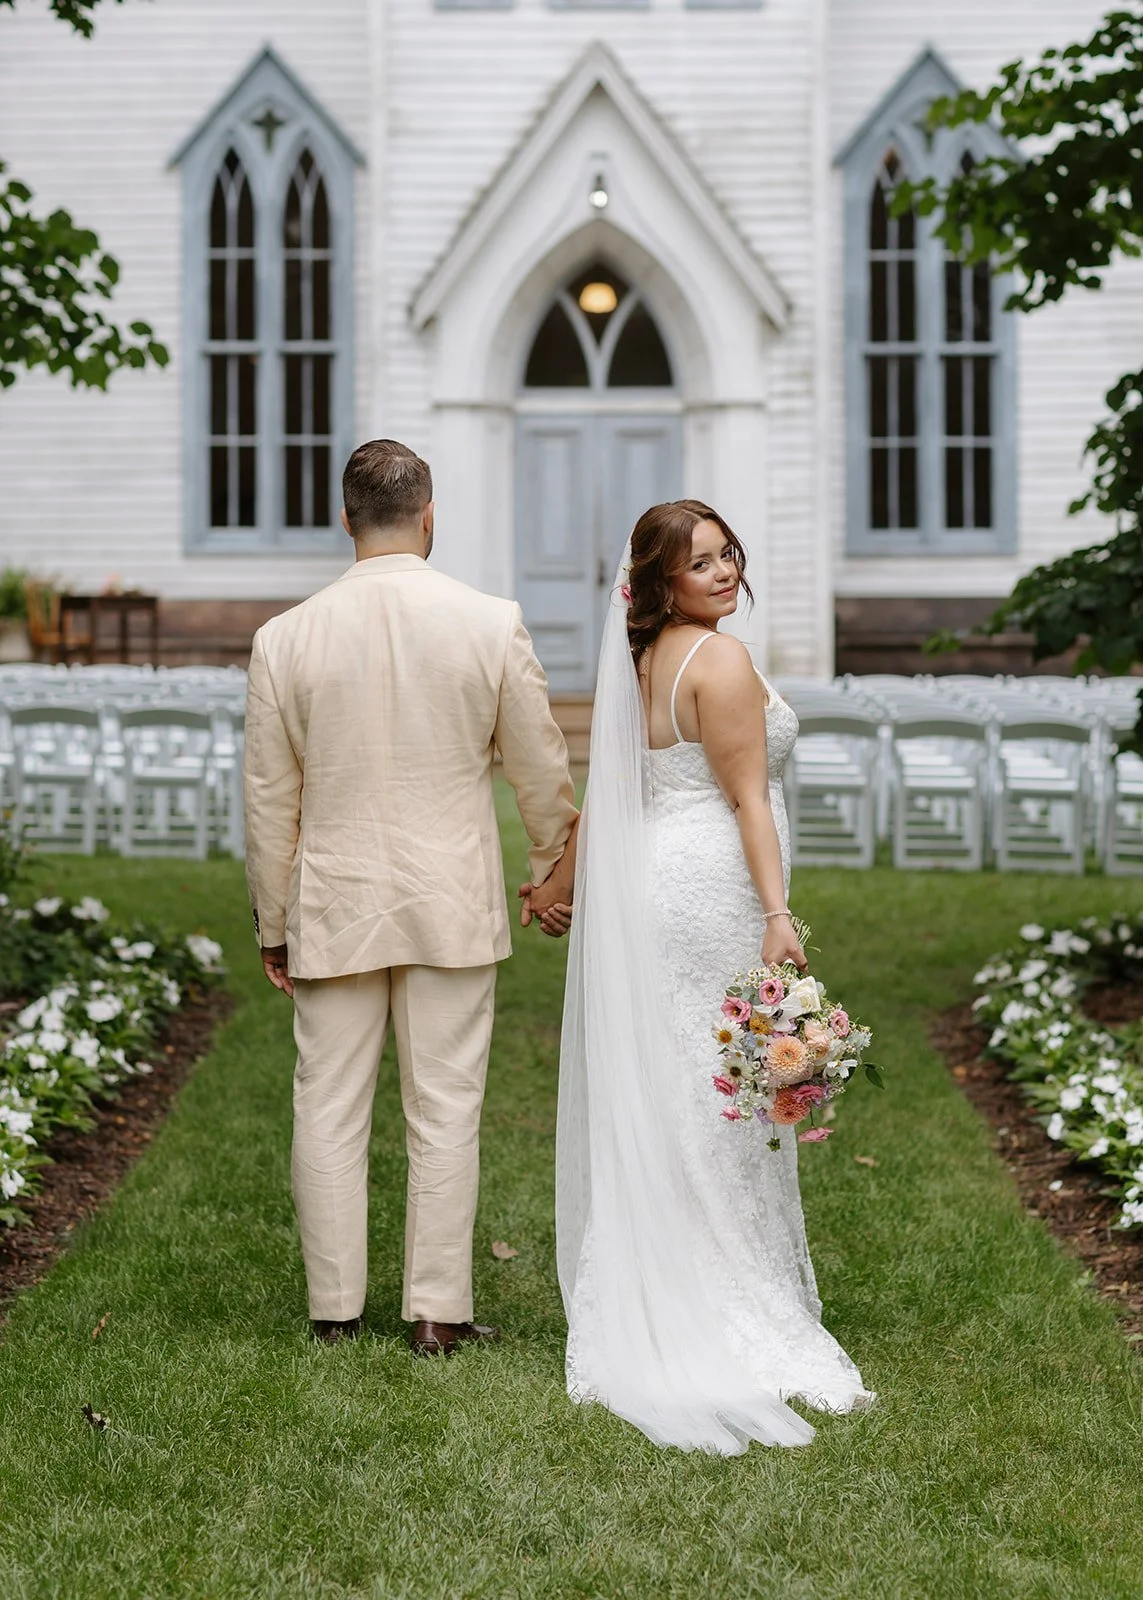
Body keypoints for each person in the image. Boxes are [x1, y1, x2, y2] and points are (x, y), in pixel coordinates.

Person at [528, 499, 874, 1453]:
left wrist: (561, 881)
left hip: (652, 884)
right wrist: (775, 916)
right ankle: (726, 1290)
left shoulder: (642, 663)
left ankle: (659, 1271)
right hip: (712, 885)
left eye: (728, 557)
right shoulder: (717, 660)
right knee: (718, 1084)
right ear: (661, 584)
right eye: (700, 565)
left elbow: (615, 791)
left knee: (678, 1074)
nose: (723, 574)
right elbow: (747, 797)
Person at [244, 439, 578, 1354]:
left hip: (336, 899)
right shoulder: (489, 621)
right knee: (444, 1107)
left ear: (344, 518)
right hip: (448, 898)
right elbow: (539, 761)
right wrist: (554, 861)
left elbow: (272, 801)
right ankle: (437, 1310)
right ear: (429, 517)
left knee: (328, 1103)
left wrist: (273, 922)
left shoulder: (286, 637)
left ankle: (334, 1310)